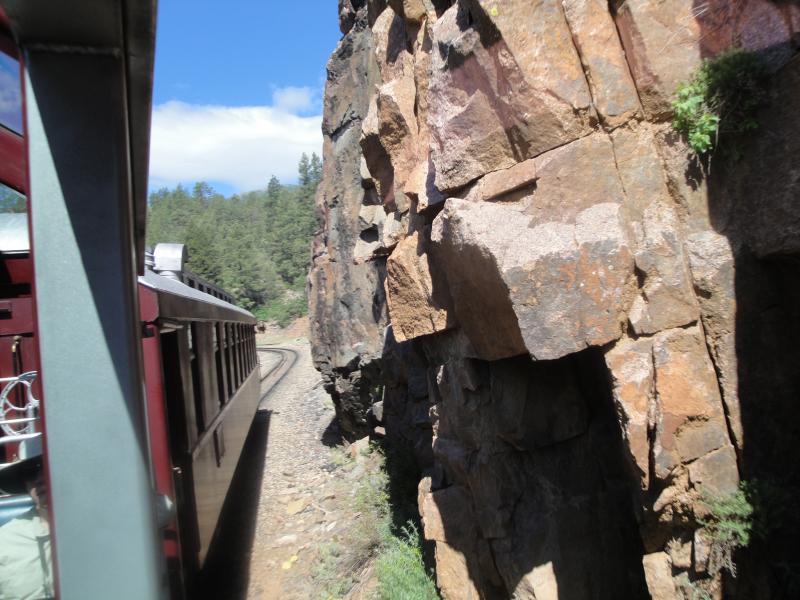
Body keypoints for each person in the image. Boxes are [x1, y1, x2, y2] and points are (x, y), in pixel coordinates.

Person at [0, 439, 54, 600]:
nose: (39, 478)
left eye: (47, 466)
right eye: (30, 471)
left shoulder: (106, 532)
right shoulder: (4, 542)